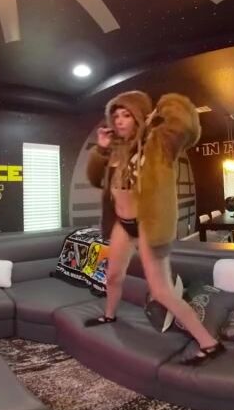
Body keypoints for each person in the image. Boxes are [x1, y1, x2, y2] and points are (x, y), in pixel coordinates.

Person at [85, 91, 224, 365]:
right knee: (113, 276)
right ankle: (109, 315)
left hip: (148, 224)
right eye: (116, 116)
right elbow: (94, 179)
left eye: (126, 115)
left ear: (138, 116)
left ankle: (210, 343)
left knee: (161, 292)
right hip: (122, 223)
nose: (119, 121)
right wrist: (101, 148)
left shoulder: (159, 143)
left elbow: (187, 127)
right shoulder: (117, 148)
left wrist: (162, 106)